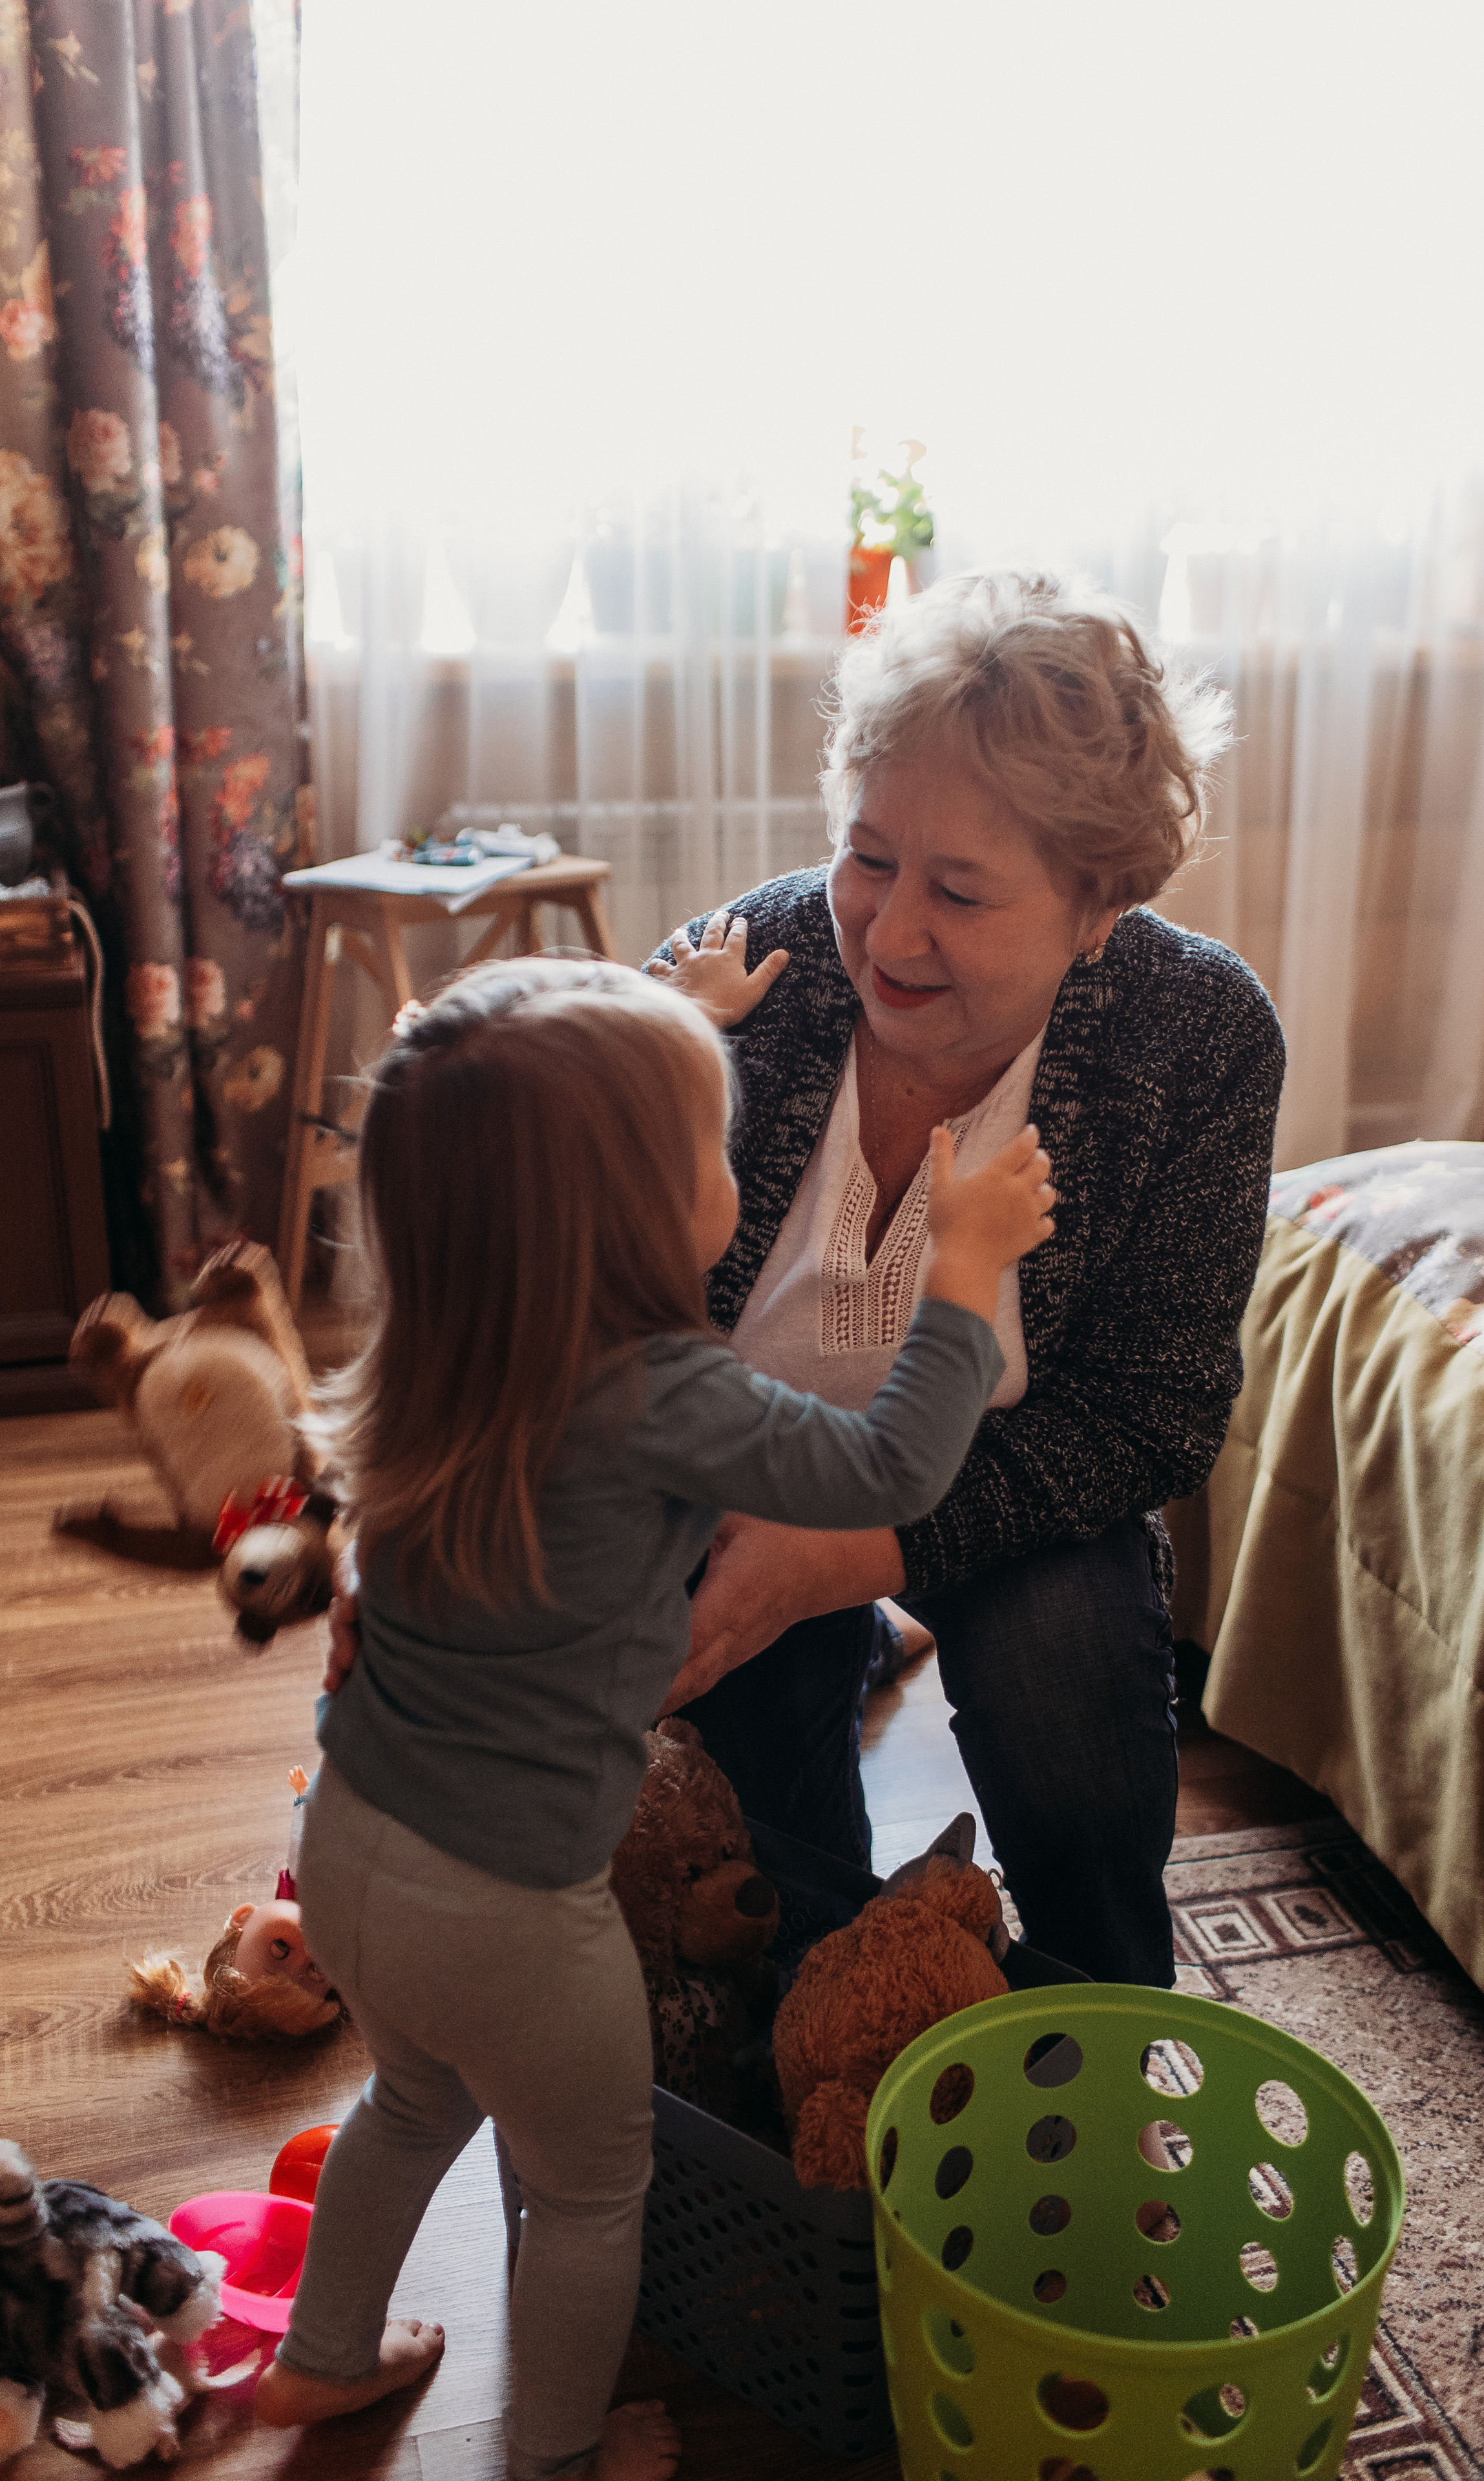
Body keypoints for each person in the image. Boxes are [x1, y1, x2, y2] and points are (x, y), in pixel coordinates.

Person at [252, 955, 1058, 2481]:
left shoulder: (438, 1352)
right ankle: (557, 2452)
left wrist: (680, 1019)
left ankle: (320, 2363)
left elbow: (511, 1120)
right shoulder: (671, 1392)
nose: (735, 1169)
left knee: (408, 2102)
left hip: (347, 1844)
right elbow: (890, 1473)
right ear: (633, 1219)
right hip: (510, 1914)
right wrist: (956, 1273)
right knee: (590, 2189)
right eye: (710, 1149)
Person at [642, 569, 1285, 1989]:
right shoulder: (746, 976)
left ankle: (1107, 2039)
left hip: (1001, 1487)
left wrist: (845, 1563)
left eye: (959, 890)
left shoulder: (1196, 1040)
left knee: (1066, 1668)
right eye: (868, 858)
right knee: (754, 1881)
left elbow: (1150, 1416)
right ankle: (805, 2050)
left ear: (1094, 905)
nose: (885, 933)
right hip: (722, 1470)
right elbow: (566, 1294)